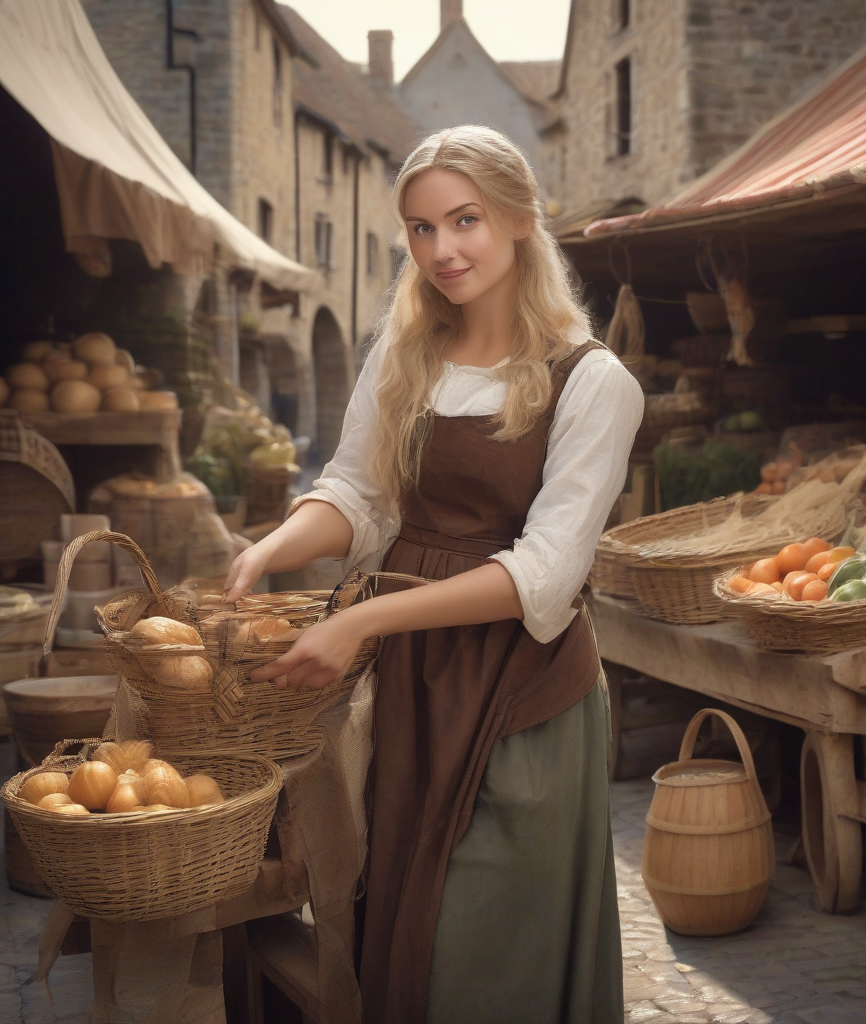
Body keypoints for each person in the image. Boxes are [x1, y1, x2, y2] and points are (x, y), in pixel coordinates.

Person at [224, 125, 644, 1024]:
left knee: (480, 949)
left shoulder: (593, 382)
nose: (442, 250)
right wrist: (274, 544)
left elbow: (543, 573)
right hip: (412, 683)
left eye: (465, 220)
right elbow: (358, 495)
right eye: (420, 229)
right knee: (399, 923)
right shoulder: (406, 353)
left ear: (522, 219)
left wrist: (359, 623)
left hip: (516, 693)